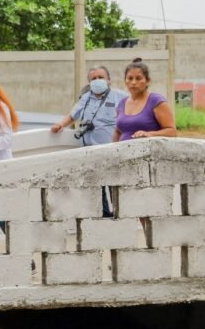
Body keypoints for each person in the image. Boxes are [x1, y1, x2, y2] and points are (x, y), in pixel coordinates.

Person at [52, 65, 128, 216]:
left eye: (101, 77)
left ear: (109, 81)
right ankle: (105, 215)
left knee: (115, 183)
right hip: (90, 151)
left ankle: (120, 213)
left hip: (113, 150)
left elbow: (131, 114)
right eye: (94, 78)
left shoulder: (120, 97)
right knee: (97, 184)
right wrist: (60, 125)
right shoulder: (85, 98)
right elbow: (73, 115)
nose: (97, 81)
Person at [113, 59, 177, 142]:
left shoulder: (156, 101)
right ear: (125, 81)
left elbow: (172, 132)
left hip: (150, 153)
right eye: (130, 78)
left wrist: (149, 134)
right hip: (124, 153)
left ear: (147, 81)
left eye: (138, 78)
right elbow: (118, 132)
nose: (133, 82)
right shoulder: (122, 103)